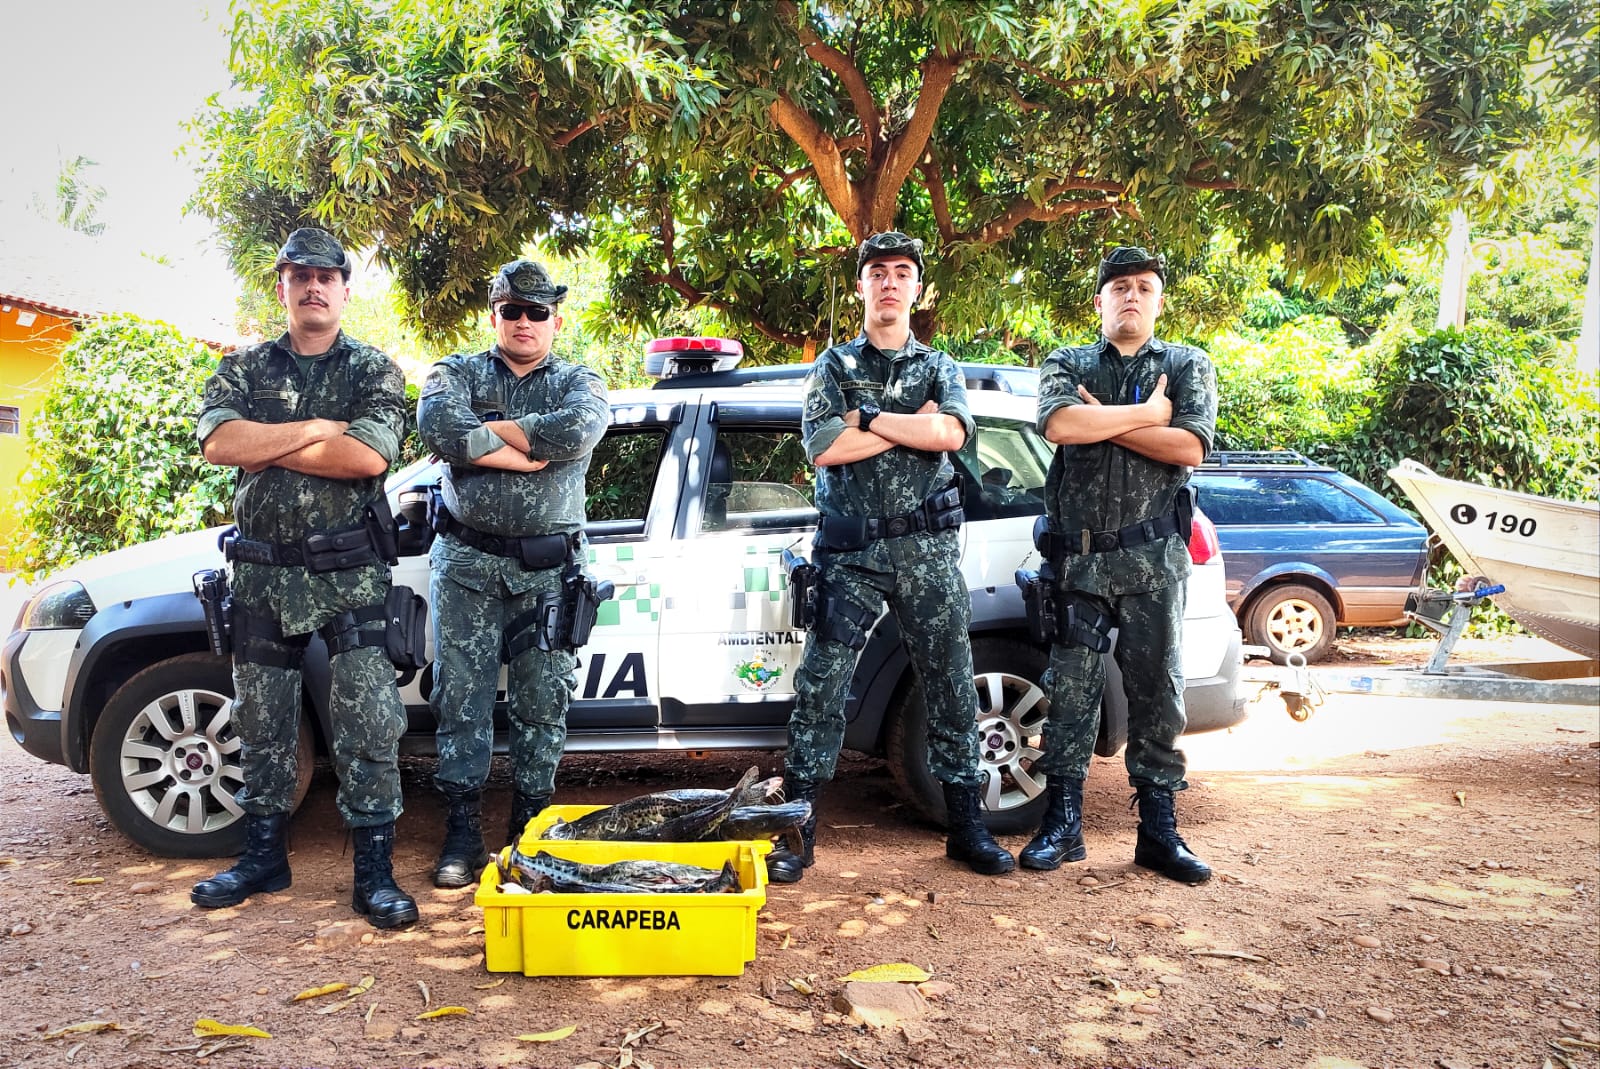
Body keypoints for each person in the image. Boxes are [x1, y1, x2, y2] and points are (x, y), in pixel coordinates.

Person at [767, 231, 1015, 884]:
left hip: (929, 553)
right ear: (861, 286)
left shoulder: (940, 368)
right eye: (878, 272)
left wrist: (868, 418)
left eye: (902, 272)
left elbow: (952, 432)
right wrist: (907, 426)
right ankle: (796, 829)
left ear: (916, 288)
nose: (889, 282)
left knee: (952, 685)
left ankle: (966, 826)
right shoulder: (833, 366)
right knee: (820, 686)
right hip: (851, 554)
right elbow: (823, 447)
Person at [192, 228, 419, 927]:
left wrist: (270, 442)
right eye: (300, 275)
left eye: (327, 276)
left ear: (345, 289)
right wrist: (318, 427)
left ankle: (374, 874)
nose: (314, 286)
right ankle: (264, 857)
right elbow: (218, 442)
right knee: (259, 721)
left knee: (368, 722)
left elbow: (366, 459)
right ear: (284, 286)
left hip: (348, 575)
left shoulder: (374, 371)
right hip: (261, 574)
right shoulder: (243, 369)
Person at [1025, 245, 1218, 884]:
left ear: (1158, 300)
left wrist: (1102, 422)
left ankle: (1159, 832)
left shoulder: (1188, 364)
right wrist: (1144, 416)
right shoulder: (1068, 361)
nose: (1130, 296)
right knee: (1070, 697)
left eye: (1143, 287)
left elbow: (1188, 444)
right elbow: (1056, 423)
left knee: (1158, 698)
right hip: (1076, 567)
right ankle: (1063, 824)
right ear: (1100, 300)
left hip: (1153, 565)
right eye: (1119, 288)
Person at [416, 259, 609, 887]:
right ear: (493, 313)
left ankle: (530, 832)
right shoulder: (456, 371)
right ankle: (462, 833)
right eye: (512, 310)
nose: (525, 322)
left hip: (548, 574)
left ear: (556, 318)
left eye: (537, 312)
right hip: (466, 565)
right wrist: (530, 452)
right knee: (461, 699)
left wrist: (491, 437)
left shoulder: (581, 379)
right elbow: (437, 425)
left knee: (542, 700)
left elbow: (580, 429)